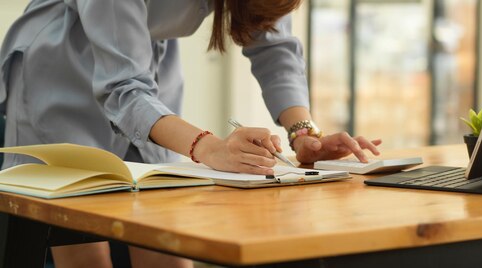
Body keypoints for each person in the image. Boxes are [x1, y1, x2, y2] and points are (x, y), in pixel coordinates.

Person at [0, 0, 382, 267]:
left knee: (164, 234)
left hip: (147, 65)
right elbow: (124, 88)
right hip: (60, 66)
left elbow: (274, 45)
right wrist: (210, 147)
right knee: (83, 244)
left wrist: (304, 136)